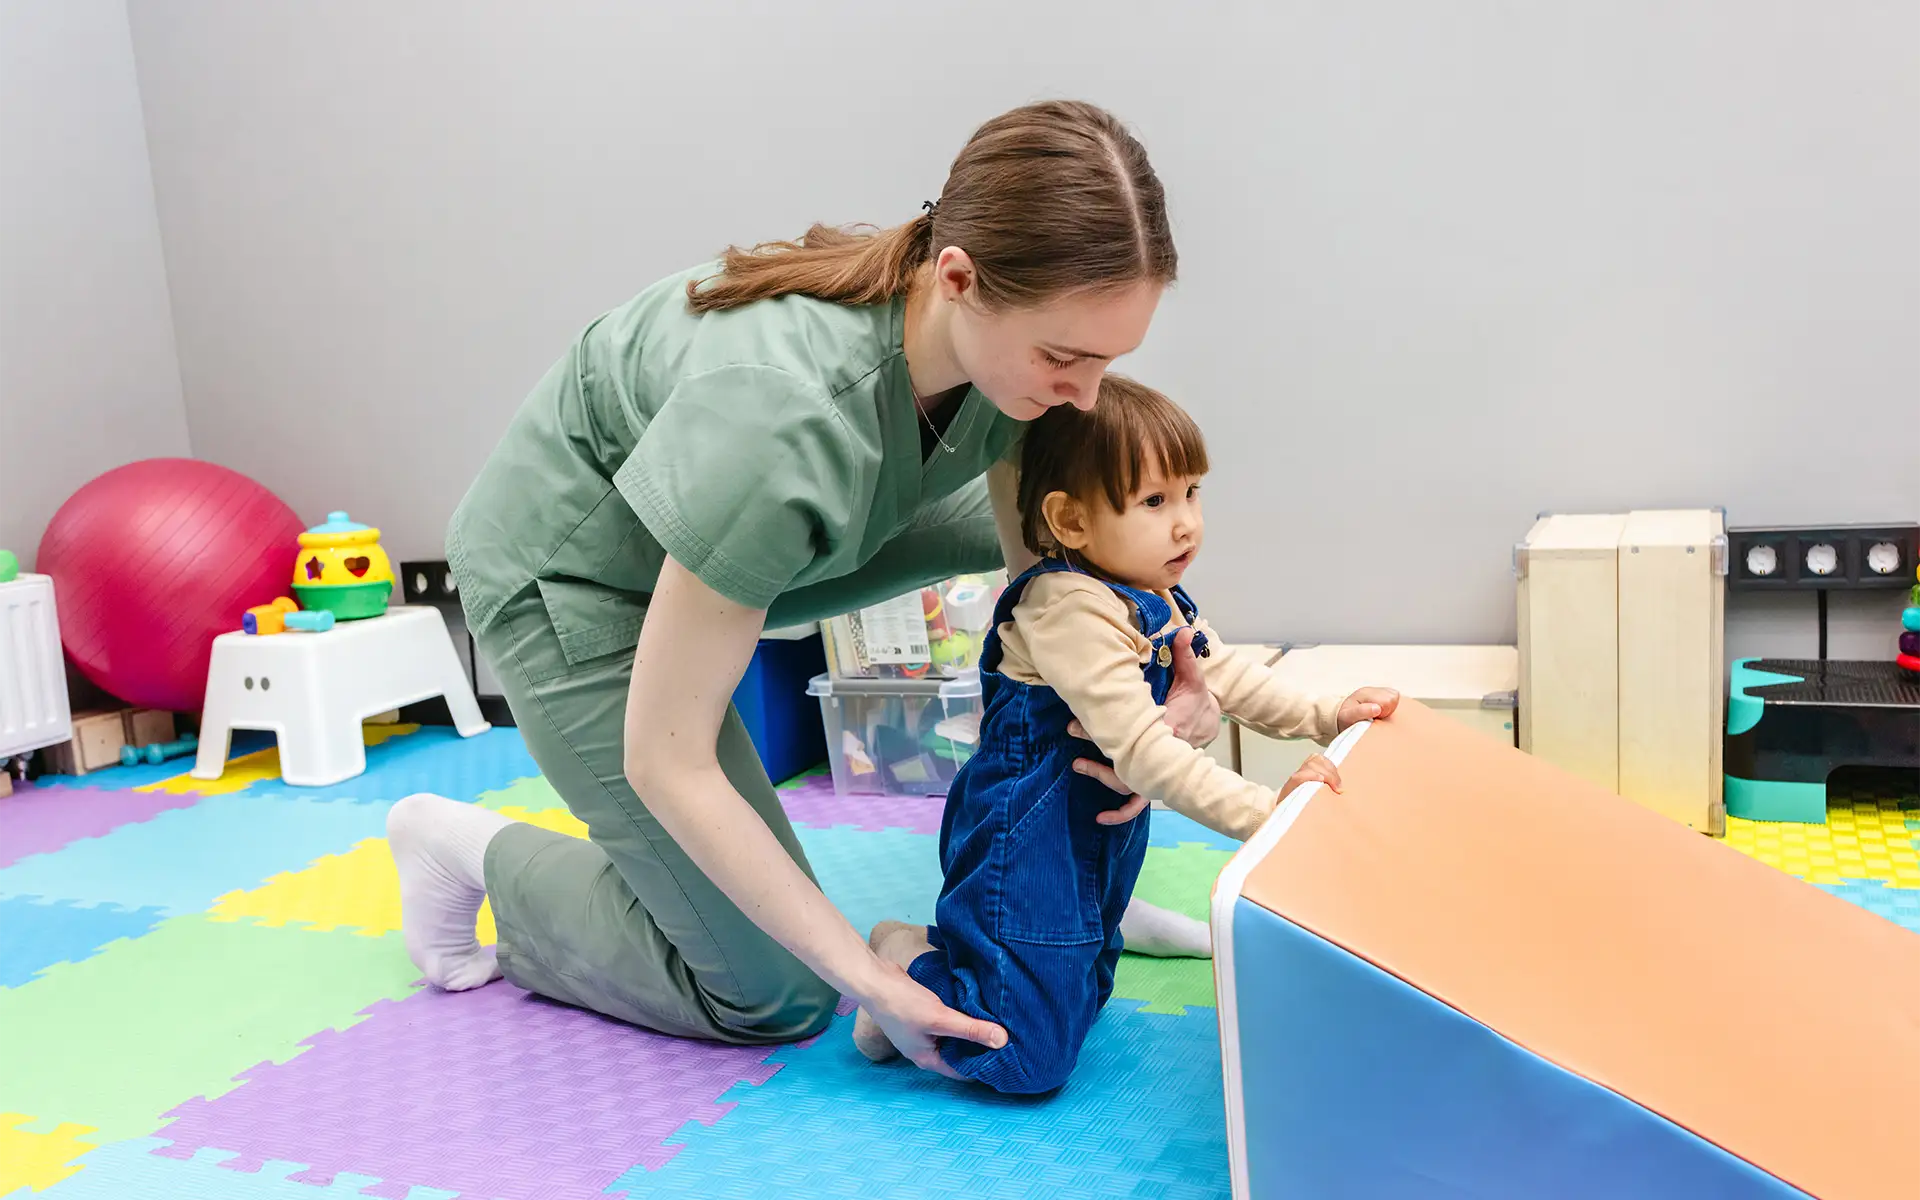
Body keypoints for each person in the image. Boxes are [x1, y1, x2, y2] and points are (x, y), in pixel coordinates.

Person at [386, 99, 1225, 1078]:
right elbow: (670, 762)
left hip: (745, 534)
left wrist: (1154, 716)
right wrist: (870, 983)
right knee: (775, 994)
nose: (1087, 397)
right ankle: (468, 849)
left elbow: (1062, 594)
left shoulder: (994, 361)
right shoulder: (780, 423)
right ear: (957, 279)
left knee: (1072, 531)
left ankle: (1063, 895)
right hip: (577, 576)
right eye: (1064, 358)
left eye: (1107, 361)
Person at [852, 375, 1400, 1093]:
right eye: (1155, 502)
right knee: (1025, 1060)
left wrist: (1326, 715)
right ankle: (907, 958)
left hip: (1100, 827)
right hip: (1028, 834)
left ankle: (983, 966)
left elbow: (1220, 672)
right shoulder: (1066, 609)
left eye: (1192, 493)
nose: (1186, 524)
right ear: (1072, 522)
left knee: (1089, 992)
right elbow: (1143, 748)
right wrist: (1269, 817)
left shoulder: (1149, 590)